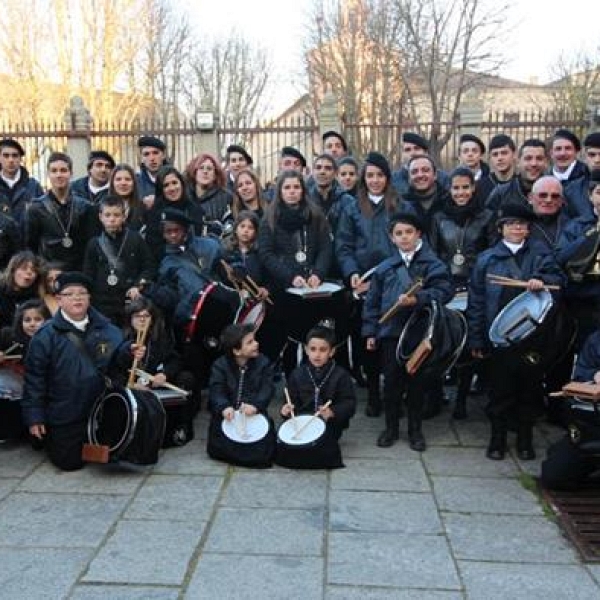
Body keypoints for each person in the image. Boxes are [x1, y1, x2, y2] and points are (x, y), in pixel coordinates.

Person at [467, 202, 566, 461]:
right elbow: (476, 301)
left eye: (521, 225)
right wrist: (477, 337)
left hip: (533, 337)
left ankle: (525, 439)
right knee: (499, 391)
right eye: (510, 224)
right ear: (501, 229)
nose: (516, 228)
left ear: (528, 229)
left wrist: (543, 282)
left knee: (529, 390)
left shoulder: (541, 254)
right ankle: (497, 439)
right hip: (500, 337)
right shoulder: (487, 259)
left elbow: (559, 280)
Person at [21, 272, 145, 471]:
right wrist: (35, 416)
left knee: (119, 453)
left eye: (82, 293)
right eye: (69, 294)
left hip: (102, 405)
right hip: (66, 410)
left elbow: (117, 364)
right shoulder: (45, 336)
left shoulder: (108, 329)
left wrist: (128, 352)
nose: (77, 298)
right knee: (69, 462)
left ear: (89, 298)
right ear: (58, 300)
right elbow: (34, 379)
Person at [362, 212, 454, 452]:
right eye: (398, 234)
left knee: (416, 383)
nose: (404, 237)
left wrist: (419, 298)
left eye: (409, 232)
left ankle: (415, 430)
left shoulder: (433, 265)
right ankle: (391, 428)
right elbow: (372, 302)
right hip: (391, 332)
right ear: (392, 238)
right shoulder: (384, 268)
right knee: (391, 382)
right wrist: (371, 331)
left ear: (418, 234)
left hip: (421, 332)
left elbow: (445, 291)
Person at [336, 151, 412, 413]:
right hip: (362, 280)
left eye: (380, 175)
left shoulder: (401, 204)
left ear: (387, 178)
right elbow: (344, 245)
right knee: (367, 338)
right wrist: (352, 273)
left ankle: (394, 391)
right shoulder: (351, 206)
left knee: (393, 337)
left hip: (393, 280)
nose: (375, 180)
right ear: (363, 178)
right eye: (370, 175)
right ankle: (372, 393)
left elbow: (407, 245)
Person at [429, 167, 494, 418]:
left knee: (469, 344)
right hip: (446, 286)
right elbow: (434, 254)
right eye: (456, 188)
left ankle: (462, 399)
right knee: (441, 341)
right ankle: (436, 396)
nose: (460, 192)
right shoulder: (439, 217)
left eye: (465, 187)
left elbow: (489, 254)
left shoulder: (486, 216)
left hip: (474, 287)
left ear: (473, 188)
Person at [257, 169, 333, 367]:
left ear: (303, 190)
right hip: (284, 288)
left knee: (314, 336)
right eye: (287, 187)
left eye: (296, 187)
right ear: (280, 191)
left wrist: (318, 272)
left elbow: (325, 248)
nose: (292, 191)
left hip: (313, 287)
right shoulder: (270, 218)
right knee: (291, 339)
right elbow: (266, 254)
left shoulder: (315, 215)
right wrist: (290, 277)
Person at [277, 324, 356, 468]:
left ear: (332, 351)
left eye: (323, 350)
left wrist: (333, 412)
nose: (317, 354)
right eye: (313, 349)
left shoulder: (341, 375)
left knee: (321, 450)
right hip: (301, 422)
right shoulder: (297, 374)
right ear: (306, 350)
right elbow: (290, 400)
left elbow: (349, 403)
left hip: (329, 423)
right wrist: (286, 410)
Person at [121, 297, 196, 445]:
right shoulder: (120, 339)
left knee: (186, 378)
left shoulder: (160, 339)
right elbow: (112, 370)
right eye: (137, 316)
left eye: (146, 316)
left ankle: (179, 429)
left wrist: (164, 374)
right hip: (129, 388)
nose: (142, 320)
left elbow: (175, 360)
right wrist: (130, 384)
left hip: (154, 385)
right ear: (130, 319)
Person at [207, 323, 276, 467]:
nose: (256, 344)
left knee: (263, 448)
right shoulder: (220, 365)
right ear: (236, 351)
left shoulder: (263, 363)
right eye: (250, 342)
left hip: (253, 413)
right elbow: (216, 389)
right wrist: (224, 406)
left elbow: (267, 388)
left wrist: (256, 405)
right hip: (229, 414)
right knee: (220, 443)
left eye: (254, 340)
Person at [541, 329, 600, 490]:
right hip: (594, 423)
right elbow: (580, 375)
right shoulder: (596, 339)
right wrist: (594, 375)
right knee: (554, 476)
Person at [83, 196, 156, 326]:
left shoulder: (135, 239)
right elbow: (88, 274)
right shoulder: (93, 243)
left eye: (116, 215)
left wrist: (138, 285)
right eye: (108, 215)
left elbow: (148, 266)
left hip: (128, 300)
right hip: (102, 303)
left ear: (124, 216)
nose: (112, 219)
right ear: (100, 217)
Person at [25, 152, 99, 271]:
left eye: (63, 170)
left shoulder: (85, 207)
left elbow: (91, 244)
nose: (59, 175)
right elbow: (30, 246)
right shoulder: (36, 208)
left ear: (71, 173)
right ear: (48, 174)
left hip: (78, 271)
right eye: (54, 171)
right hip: (48, 271)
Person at [0, 299, 50, 443]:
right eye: (27, 320)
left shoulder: (52, 340)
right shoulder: (7, 336)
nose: (32, 324)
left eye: (38, 319)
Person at [145, 166, 205, 262]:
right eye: (166, 185)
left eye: (174, 183)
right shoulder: (155, 214)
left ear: (181, 184)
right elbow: (153, 248)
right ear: (160, 189)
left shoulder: (194, 209)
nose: (172, 188)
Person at [486, 138, 548, 216]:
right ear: (518, 161)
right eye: (528, 158)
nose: (533, 163)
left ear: (546, 162)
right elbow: (486, 224)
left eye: (539, 158)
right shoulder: (501, 193)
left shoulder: (556, 192)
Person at [0, 137, 44, 228]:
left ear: (20, 159)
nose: (11, 160)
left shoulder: (33, 187)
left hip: (28, 241)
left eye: (15, 155)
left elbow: (43, 218)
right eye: (6, 155)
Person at [185, 153, 233, 235]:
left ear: (215, 175)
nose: (205, 171)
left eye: (209, 169)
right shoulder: (185, 195)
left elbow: (230, 226)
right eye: (201, 168)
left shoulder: (226, 197)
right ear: (194, 172)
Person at [391, 132, 449, 197]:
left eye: (417, 148)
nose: (413, 153)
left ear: (426, 152)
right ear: (402, 154)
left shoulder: (442, 178)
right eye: (407, 150)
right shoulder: (393, 180)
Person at [0, 250, 42, 329]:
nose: (29, 272)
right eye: (23, 268)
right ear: (13, 271)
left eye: (34, 270)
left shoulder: (36, 297)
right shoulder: (2, 291)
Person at [109, 163, 147, 232]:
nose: (123, 183)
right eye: (118, 179)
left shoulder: (143, 208)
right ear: (112, 183)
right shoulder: (101, 207)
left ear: (134, 183)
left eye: (127, 179)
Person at [136, 135, 168, 210]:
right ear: (142, 159)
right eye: (146, 154)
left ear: (163, 155)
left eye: (155, 153)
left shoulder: (175, 180)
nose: (152, 158)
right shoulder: (136, 182)